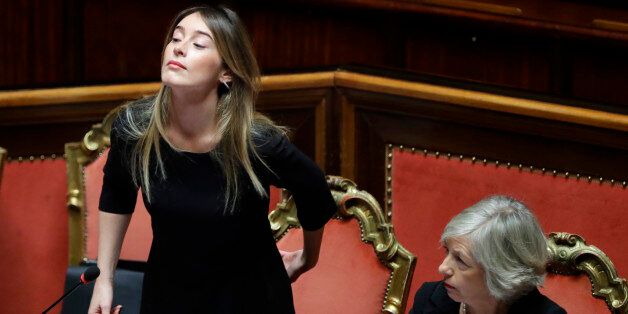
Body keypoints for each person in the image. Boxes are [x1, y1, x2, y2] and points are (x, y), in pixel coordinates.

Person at [87, 5, 336, 314]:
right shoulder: (135, 129)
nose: (179, 47)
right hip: (169, 297)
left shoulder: (256, 142)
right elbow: (117, 194)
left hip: (251, 300)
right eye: (176, 38)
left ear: (226, 72)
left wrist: (305, 260)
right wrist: (104, 280)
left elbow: (315, 191)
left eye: (198, 43)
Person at [409, 195, 566, 314]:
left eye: (460, 259)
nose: (443, 267)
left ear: (500, 272)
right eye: (446, 251)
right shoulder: (429, 299)